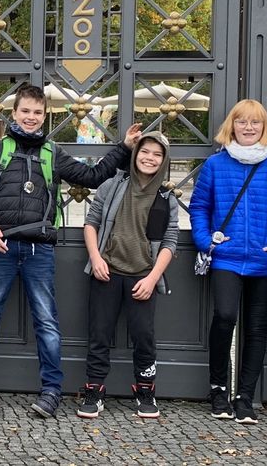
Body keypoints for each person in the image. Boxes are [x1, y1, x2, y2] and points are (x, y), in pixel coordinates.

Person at [0, 84, 141, 418]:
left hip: (39, 249)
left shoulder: (52, 153)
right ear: (13, 113)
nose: (31, 118)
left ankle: (51, 391)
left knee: (46, 322)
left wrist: (124, 148)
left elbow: (92, 176)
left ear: (45, 116)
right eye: (25, 111)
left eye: (37, 113)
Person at [188, 98, 267, 425]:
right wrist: (207, 242)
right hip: (227, 259)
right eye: (242, 121)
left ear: (265, 128)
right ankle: (218, 388)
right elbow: (199, 208)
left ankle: (245, 396)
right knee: (225, 316)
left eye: (255, 123)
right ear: (231, 126)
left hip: (264, 261)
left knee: (256, 328)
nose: (248, 128)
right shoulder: (215, 165)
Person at [76, 131, 178, 420]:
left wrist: (152, 278)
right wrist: (95, 258)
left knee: (144, 336)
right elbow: (90, 223)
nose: (150, 158)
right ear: (136, 154)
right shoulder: (113, 185)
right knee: (99, 333)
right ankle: (94, 389)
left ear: (164, 160)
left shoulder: (166, 197)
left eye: (157, 154)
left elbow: (170, 242)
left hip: (143, 275)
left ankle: (145, 389)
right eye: (145, 151)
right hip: (107, 271)